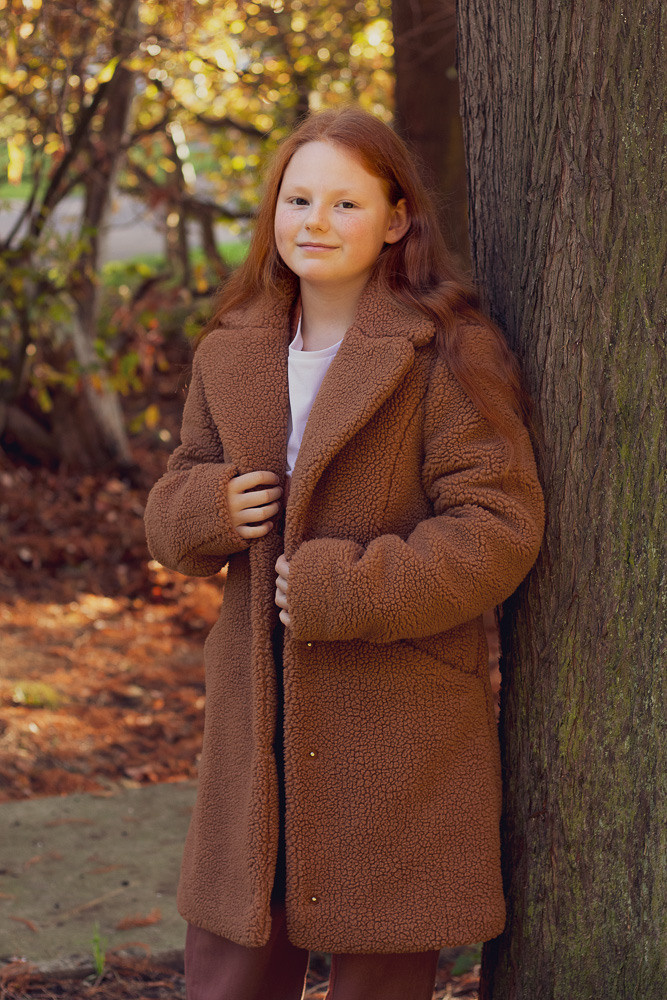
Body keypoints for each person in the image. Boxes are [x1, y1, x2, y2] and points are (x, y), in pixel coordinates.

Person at [144, 106, 544, 1000]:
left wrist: (347, 589)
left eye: (344, 204)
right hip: (256, 721)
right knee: (231, 965)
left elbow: (497, 526)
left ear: (396, 219)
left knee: (381, 968)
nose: (314, 223)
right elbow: (174, 498)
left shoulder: (445, 351)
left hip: (395, 724)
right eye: (297, 200)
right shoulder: (231, 350)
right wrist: (210, 508)